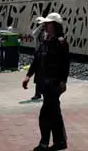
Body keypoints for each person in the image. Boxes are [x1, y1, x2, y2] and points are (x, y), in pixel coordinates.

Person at [22, 12, 69, 151]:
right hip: (43, 82)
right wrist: (28, 75)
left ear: (55, 25)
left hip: (54, 84)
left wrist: (63, 81)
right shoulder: (45, 42)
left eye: (48, 24)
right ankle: (60, 141)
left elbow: (65, 64)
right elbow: (37, 60)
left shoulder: (61, 43)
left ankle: (44, 142)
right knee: (54, 113)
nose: (45, 26)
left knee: (45, 114)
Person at [30, 16, 46, 100]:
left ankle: (42, 93)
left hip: (44, 55)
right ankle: (37, 93)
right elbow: (34, 33)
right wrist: (40, 26)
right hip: (38, 54)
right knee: (38, 75)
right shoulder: (39, 30)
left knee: (42, 75)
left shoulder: (47, 31)